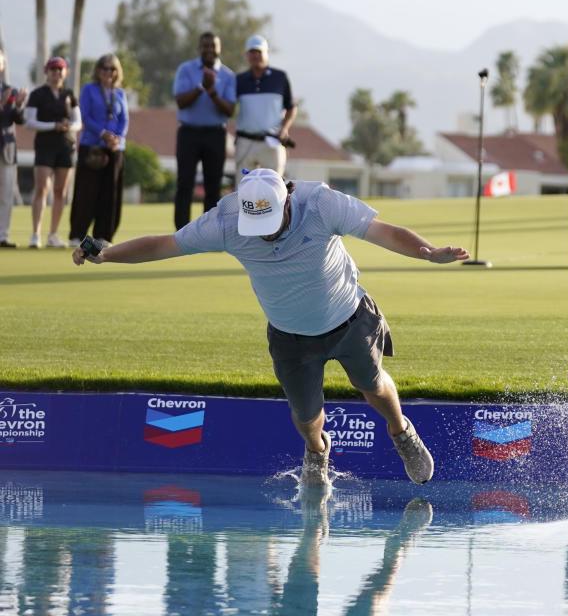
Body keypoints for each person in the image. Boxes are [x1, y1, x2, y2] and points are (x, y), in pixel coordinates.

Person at [73, 168, 470, 487]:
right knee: (305, 415)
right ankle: (317, 452)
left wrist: (428, 252)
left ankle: (401, 433)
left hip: (349, 316)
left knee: (374, 387)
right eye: (255, 220)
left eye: (269, 218)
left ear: (288, 198)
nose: (262, 231)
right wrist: (107, 254)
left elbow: (384, 232)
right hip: (290, 335)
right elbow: (164, 245)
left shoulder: (322, 202)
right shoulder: (227, 221)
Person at [173, 32, 237, 230]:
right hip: (189, 133)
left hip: (215, 134)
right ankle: (182, 231)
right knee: (185, 183)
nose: (209, 50)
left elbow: (229, 110)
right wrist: (201, 86)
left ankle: (209, 230)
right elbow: (181, 102)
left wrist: (212, 92)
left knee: (213, 185)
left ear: (219, 49)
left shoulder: (227, 75)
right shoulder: (186, 70)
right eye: (205, 46)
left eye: (213, 46)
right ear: (199, 48)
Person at [70, 53, 129, 247]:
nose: (108, 72)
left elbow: (124, 120)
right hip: (92, 146)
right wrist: (103, 133)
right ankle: (77, 235)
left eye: (112, 69)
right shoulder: (89, 89)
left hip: (114, 149)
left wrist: (116, 138)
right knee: (86, 192)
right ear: (98, 70)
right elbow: (85, 116)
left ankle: (104, 236)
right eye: (104, 68)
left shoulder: (119, 93)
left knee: (110, 194)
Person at [25, 56, 80, 248]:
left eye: (60, 69)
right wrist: (53, 126)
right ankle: (35, 234)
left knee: (60, 192)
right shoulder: (38, 94)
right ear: (46, 72)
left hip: (65, 146)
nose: (56, 73)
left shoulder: (69, 94)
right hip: (45, 146)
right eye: (53, 70)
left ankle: (53, 235)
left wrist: (68, 126)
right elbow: (30, 122)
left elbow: (78, 122)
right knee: (41, 189)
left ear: (65, 72)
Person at [234, 35, 296, 176]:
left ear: (267, 53)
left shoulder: (280, 77)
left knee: (275, 187)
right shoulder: (239, 80)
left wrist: (285, 128)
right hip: (245, 141)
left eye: (259, 52)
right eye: (252, 52)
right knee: (243, 187)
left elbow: (291, 107)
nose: (256, 55)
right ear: (247, 55)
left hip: (272, 141)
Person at [0, 48, 28, 248]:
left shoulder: (12, 90)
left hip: (7, 152)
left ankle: (2, 235)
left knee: (6, 196)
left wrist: (18, 106)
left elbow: (20, 120)